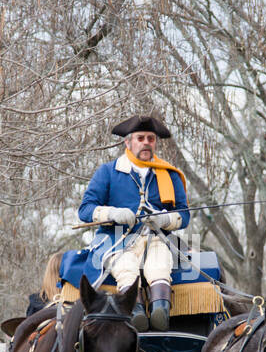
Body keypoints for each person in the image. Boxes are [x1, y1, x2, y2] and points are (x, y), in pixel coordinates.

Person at [78, 115, 190, 330]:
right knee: (126, 267)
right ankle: (135, 312)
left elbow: (184, 215)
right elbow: (85, 210)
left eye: (151, 138)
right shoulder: (108, 172)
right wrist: (112, 213)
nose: (146, 142)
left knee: (160, 266)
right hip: (116, 240)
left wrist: (164, 218)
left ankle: (160, 312)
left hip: (157, 239)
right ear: (127, 142)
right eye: (140, 138)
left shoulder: (170, 174)